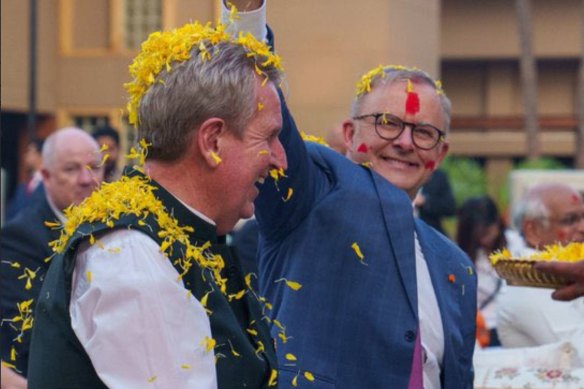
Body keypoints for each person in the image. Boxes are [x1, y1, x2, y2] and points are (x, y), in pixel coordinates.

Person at [226, 3, 477, 388]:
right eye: (387, 123)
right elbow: (253, 104)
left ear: (440, 154)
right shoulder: (313, 193)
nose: (405, 142)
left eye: (424, 132)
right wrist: (246, 16)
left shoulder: (456, 265)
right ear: (349, 134)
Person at [27, 20, 286, 389]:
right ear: (212, 141)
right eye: (270, 137)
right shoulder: (134, 258)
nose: (280, 159)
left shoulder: (164, 235)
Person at [0, 127, 104, 385]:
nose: (87, 178)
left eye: (95, 166)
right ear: (45, 175)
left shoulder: (114, 225)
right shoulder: (22, 236)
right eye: (71, 169)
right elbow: (25, 334)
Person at [496, 183, 584, 348]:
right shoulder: (530, 282)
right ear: (533, 231)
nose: (582, 228)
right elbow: (579, 353)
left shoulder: (571, 269)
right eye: (570, 220)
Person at [456, 196, 507, 347]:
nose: (484, 240)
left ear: (497, 223)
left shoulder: (516, 246)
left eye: (487, 232)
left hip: (513, 325)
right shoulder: (459, 257)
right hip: (482, 330)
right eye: (479, 235)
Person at [5, 139, 45, 222]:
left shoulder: (50, 185)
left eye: (30, 152)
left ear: (41, 155)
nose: (25, 156)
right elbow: (11, 214)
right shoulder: (22, 187)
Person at [415, 169, 456, 236]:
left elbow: (450, 207)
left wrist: (425, 201)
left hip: (429, 229)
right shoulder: (398, 174)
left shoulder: (437, 176)